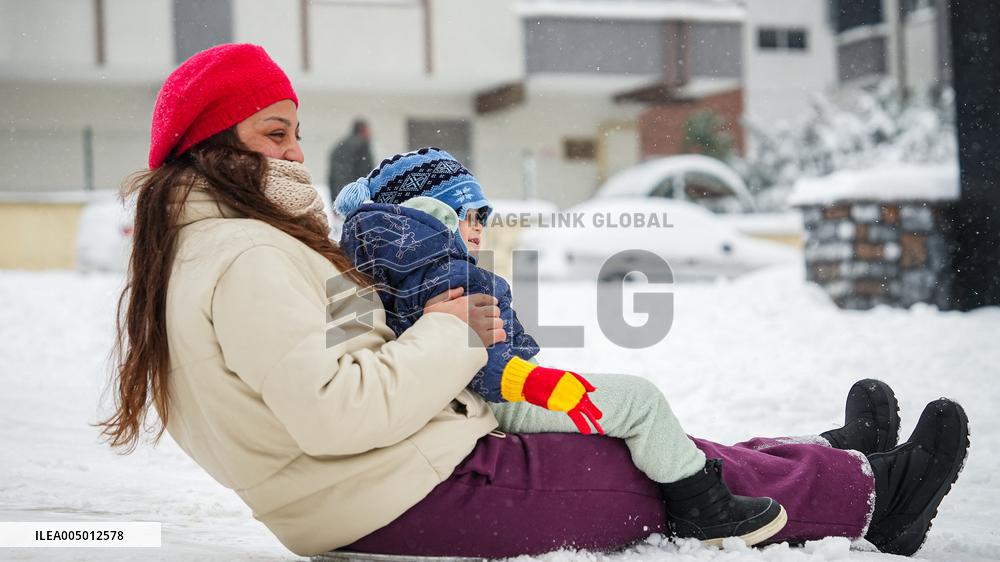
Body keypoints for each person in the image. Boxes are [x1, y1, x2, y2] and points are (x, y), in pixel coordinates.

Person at [99, 43, 971, 560]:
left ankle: (823, 458)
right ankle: (874, 499)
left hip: (408, 469)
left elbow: (354, 364)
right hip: (409, 493)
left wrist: (434, 343)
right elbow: (337, 413)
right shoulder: (245, 257)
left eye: (295, 128)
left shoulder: (220, 251)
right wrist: (452, 331)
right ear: (214, 145)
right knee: (645, 463)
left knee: (644, 432)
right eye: (273, 131)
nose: (295, 151)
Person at [332, 146, 788, 546]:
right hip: (497, 396)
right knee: (640, 401)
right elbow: (474, 353)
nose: (477, 230)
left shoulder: (390, 261)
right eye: (467, 215)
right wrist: (536, 383)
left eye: (481, 219)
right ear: (432, 214)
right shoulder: (444, 268)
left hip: (443, 394)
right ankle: (706, 512)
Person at [327, 118, 374, 202]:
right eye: (368, 129)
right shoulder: (362, 144)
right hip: (357, 194)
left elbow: (335, 175)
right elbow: (367, 170)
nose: (371, 132)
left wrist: (335, 198)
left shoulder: (341, 145)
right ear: (362, 129)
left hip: (341, 194)